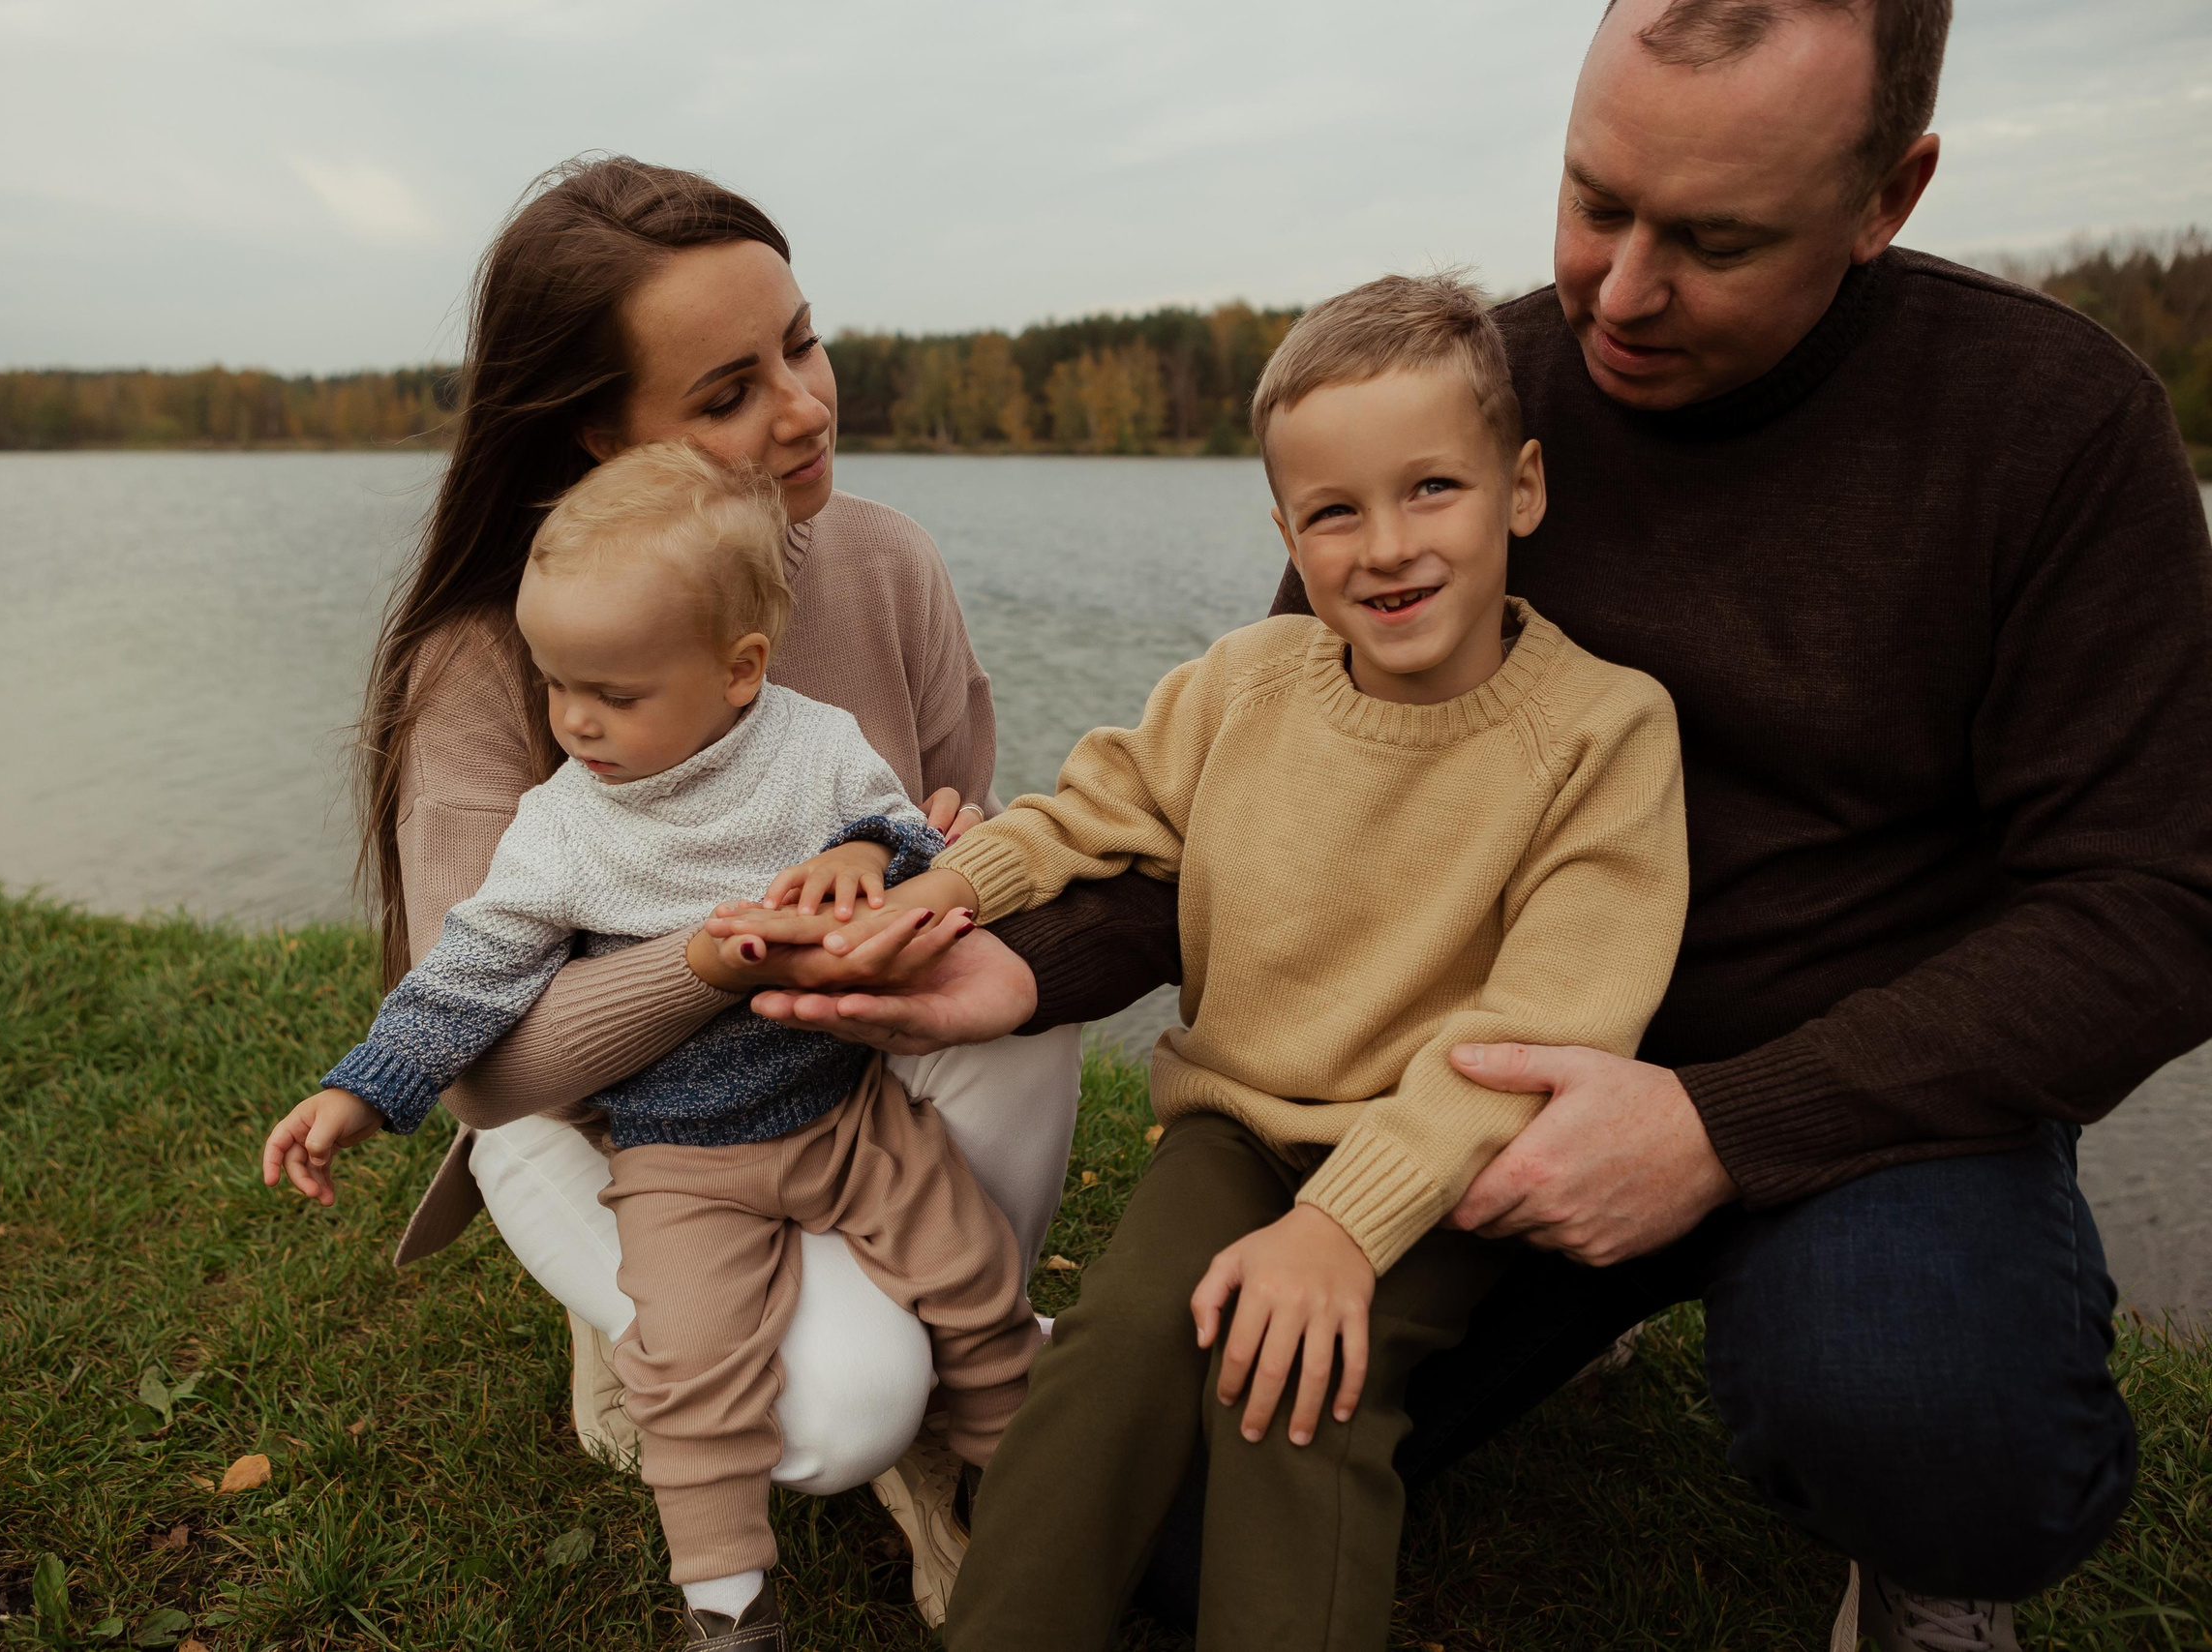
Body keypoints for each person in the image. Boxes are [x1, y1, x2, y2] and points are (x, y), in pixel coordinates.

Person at [728, 1, 2212, 1646]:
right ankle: (1545, 1325)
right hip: (1447, 1107)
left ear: (1889, 195)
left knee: (1923, 1411)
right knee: (1157, 1512)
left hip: (1844, 1091)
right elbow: (1255, 804)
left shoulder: (2053, 431)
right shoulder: (1445, 393)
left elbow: (2154, 902)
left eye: (1715, 239)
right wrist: (1015, 961)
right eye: (1594, 201)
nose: (1622, 293)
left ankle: (1914, 1536)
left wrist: (1725, 1126)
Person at [293, 154, 1086, 1626]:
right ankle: (689, 1357)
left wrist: (939, 866)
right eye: (727, 393)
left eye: (801, 341)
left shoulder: (887, 562)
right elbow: (489, 1066)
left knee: (1033, 1004)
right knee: (848, 1415)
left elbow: (938, 818)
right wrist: (714, 964)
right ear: (603, 442)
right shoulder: (494, 665)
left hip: (833, 1079)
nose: (802, 404)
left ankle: (975, 1375)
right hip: (591, 1118)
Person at [894, 272, 1684, 1647]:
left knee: (1298, 1390)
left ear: (1523, 487)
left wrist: (1341, 1230)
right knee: (1121, 1350)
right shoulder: (1242, 686)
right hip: (1239, 1134)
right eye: (1334, 511)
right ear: (1287, 533)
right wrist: (953, 883)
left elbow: (1547, 1027)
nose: (1384, 548)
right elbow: (1094, 810)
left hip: (1454, 1164)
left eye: (1432, 488)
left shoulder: (1604, 733)